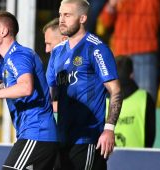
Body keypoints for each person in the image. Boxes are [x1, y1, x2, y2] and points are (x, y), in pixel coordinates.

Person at [0, 11, 58, 170]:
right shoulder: (5, 61)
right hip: (33, 134)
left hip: (37, 133)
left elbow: (25, 87)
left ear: (3, 31)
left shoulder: (19, 55)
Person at [46, 0, 122, 169]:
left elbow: (115, 90)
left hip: (87, 139)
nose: (61, 20)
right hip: (62, 138)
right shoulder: (57, 51)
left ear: (82, 18)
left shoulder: (96, 49)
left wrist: (109, 129)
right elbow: (48, 93)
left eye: (67, 15)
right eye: (60, 14)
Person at [99, 0, 160, 101]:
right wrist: (111, 4)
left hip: (144, 51)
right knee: (116, 97)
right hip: (121, 53)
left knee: (146, 98)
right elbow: (105, 21)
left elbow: (155, 15)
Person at [107, 57, 155, 148]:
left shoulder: (103, 99)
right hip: (139, 158)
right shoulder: (145, 98)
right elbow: (150, 134)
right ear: (132, 74)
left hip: (108, 158)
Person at [42, 17, 68, 113]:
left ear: (64, 40)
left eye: (49, 44)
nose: (46, 50)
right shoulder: (54, 61)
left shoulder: (83, 61)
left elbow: (78, 103)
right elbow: (49, 96)